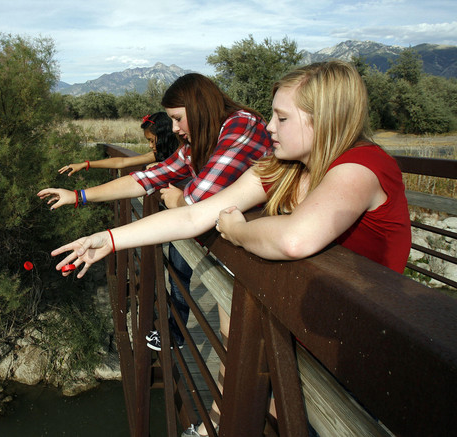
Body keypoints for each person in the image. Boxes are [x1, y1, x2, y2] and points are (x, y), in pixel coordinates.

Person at [49, 61, 412, 437]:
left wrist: (239, 231)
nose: (268, 126)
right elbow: (195, 217)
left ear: (326, 119)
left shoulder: (363, 166)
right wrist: (109, 239)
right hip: (295, 334)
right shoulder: (284, 166)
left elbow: (294, 239)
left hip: (347, 354)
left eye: (281, 118)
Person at [38, 73, 272, 361]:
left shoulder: (242, 125)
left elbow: (196, 201)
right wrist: (79, 197)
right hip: (236, 253)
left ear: (199, 107)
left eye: (177, 118)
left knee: (250, 358)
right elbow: (149, 178)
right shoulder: (200, 140)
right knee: (235, 353)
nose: (173, 128)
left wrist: (177, 199)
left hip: (266, 262)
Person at [58, 113, 179, 176]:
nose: (150, 146)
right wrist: (85, 164)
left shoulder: (183, 152)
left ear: (164, 137)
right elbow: (121, 162)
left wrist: (164, 167)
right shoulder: (158, 154)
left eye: (152, 140)